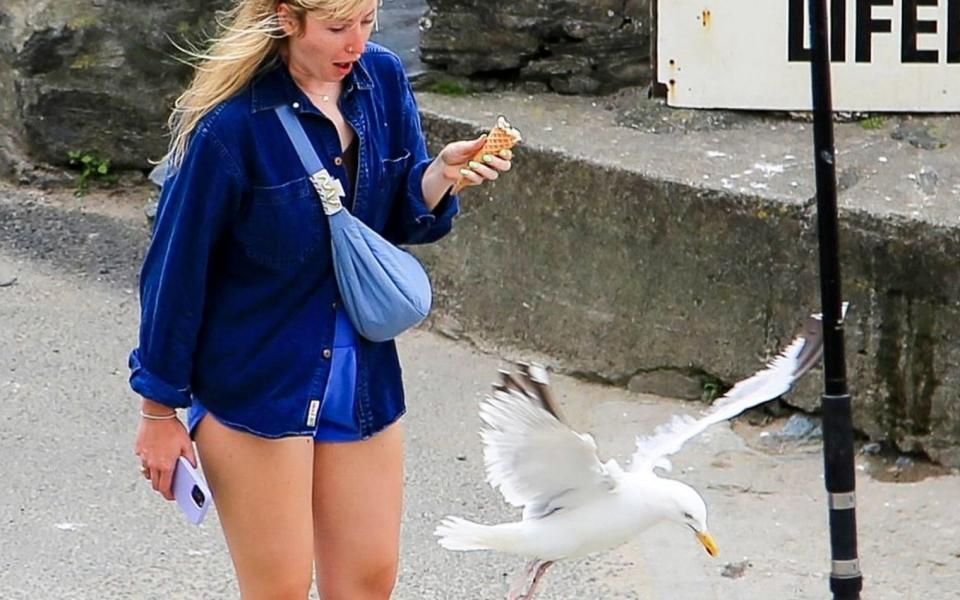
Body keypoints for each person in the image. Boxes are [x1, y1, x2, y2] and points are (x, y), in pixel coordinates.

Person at [129, 1, 513, 598]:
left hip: (360, 376)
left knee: (367, 583)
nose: (357, 43)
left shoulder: (381, 80)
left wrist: (439, 175)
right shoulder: (229, 126)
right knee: (280, 589)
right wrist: (158, 411)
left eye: (368, 21)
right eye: (338, 28)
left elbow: (393, 219)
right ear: (286, 19)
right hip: (258, 383)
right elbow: (175, 274)